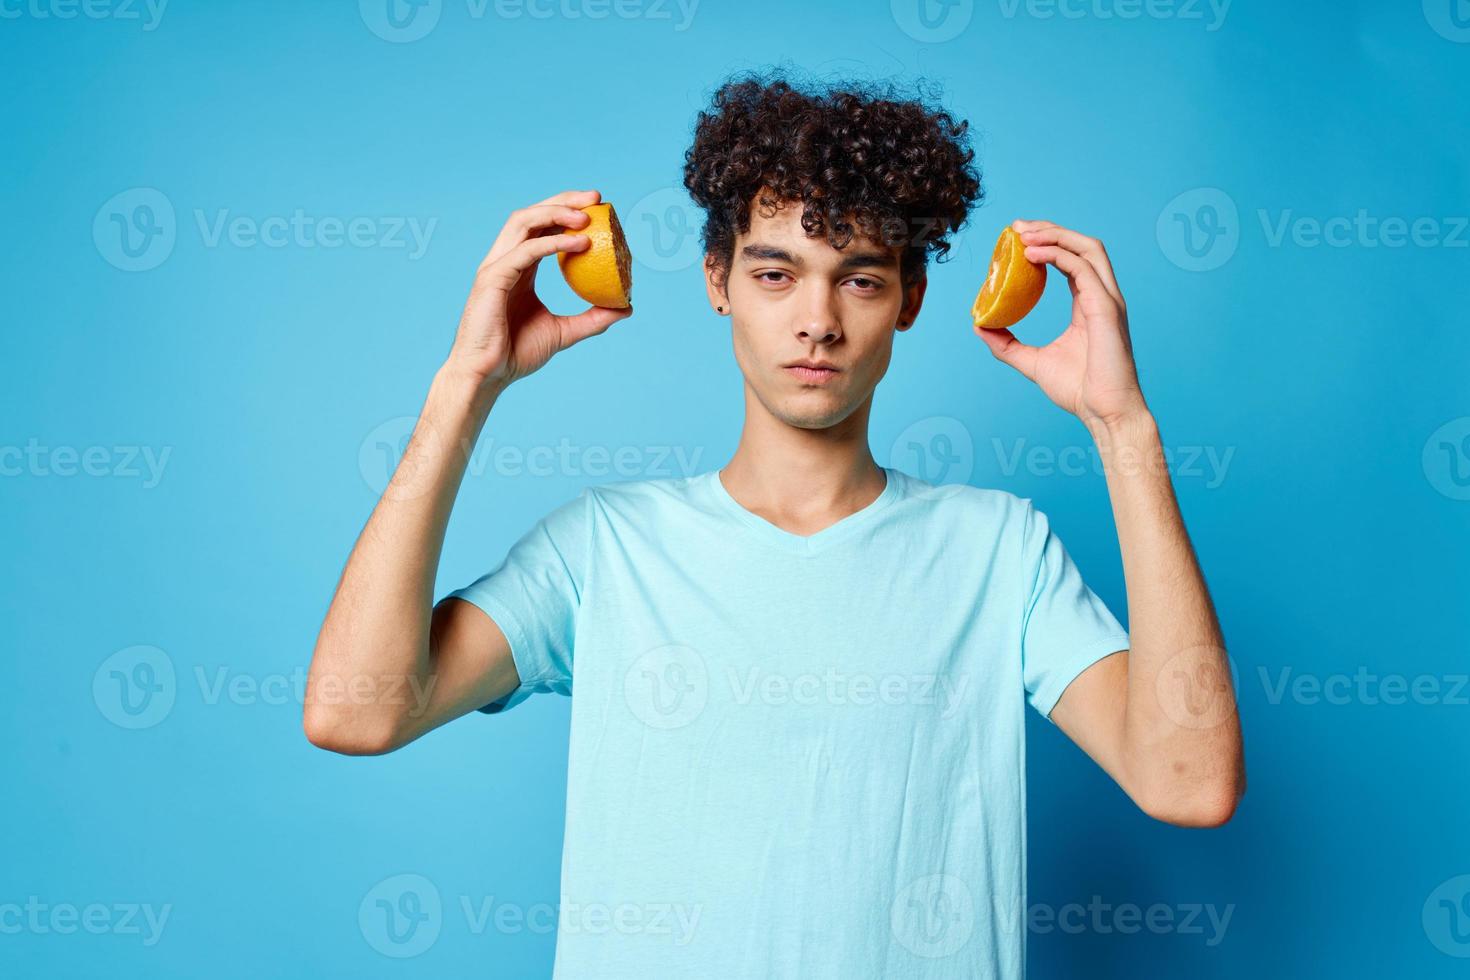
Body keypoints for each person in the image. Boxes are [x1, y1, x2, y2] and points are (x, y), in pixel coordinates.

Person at [304, 73, 1245, 978]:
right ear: (718, 280)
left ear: (911, 298)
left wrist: (1125, 430)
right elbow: (357, 709)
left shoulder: (1000, 552)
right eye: (775, 272)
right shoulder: (605, 549)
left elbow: (1188, 781)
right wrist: (464, 389)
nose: (817, 322)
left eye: (861, 280)